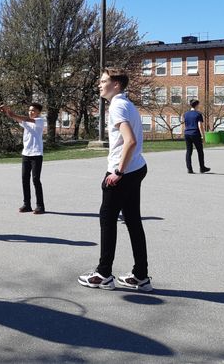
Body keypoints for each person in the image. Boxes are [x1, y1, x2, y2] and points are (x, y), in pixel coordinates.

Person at [78, 68, 152, 292]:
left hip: (123, 172)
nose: (99, 85)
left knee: (108, 220)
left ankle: (103, 274)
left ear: (116, 85)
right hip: (136, 168)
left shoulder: (118, 106)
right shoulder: (128, 104)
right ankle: (140, 276)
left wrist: (118, 172)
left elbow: (129, 141)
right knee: (133, 222)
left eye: (103, 81)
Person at [0, 102, 46, 214]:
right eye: (29, 110)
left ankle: (40, 206)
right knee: (25, 179)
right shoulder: (26, 122)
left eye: (33, 110)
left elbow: (22, 118)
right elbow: (15, 117)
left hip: (36, 154)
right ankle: (27, 205)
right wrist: (6, 111)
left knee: (35, 180)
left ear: (39, 112)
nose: (30, 112)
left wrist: (11, 112)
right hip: (26, 154)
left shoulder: (40, 121)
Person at [183, 99, 210, 174]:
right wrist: (203, 136)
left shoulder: (186, 114)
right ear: (197, 105)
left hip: (187, 133)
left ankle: (189, 169)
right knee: (200, 151)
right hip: (195, 133)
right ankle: (202, 167)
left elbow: (185, 124)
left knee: (189, 151)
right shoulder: (198, 114)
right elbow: (200, 126)